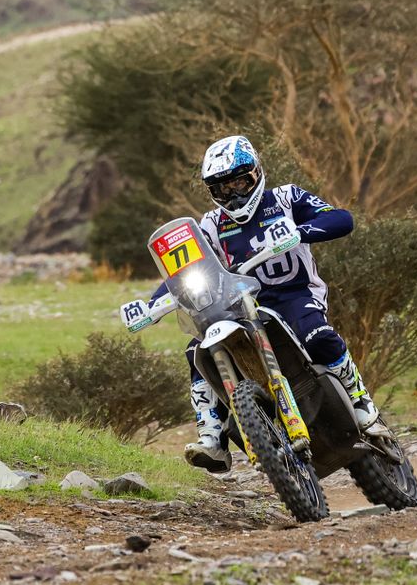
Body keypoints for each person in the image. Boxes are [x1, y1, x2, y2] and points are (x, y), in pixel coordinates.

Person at [119, 134, 380, 474]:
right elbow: (182, 274)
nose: (235, 192)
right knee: (197, 350)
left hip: (295, 294)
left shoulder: (286, 198)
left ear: (256, 173)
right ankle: (212, 438)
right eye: (224, 188)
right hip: (239, 304)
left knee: (316, 335)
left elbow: (341, 219)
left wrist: (300, 231)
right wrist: (150, 305)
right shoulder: (210, 225)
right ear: (213, 192)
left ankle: (362, 403)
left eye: (241, 181)